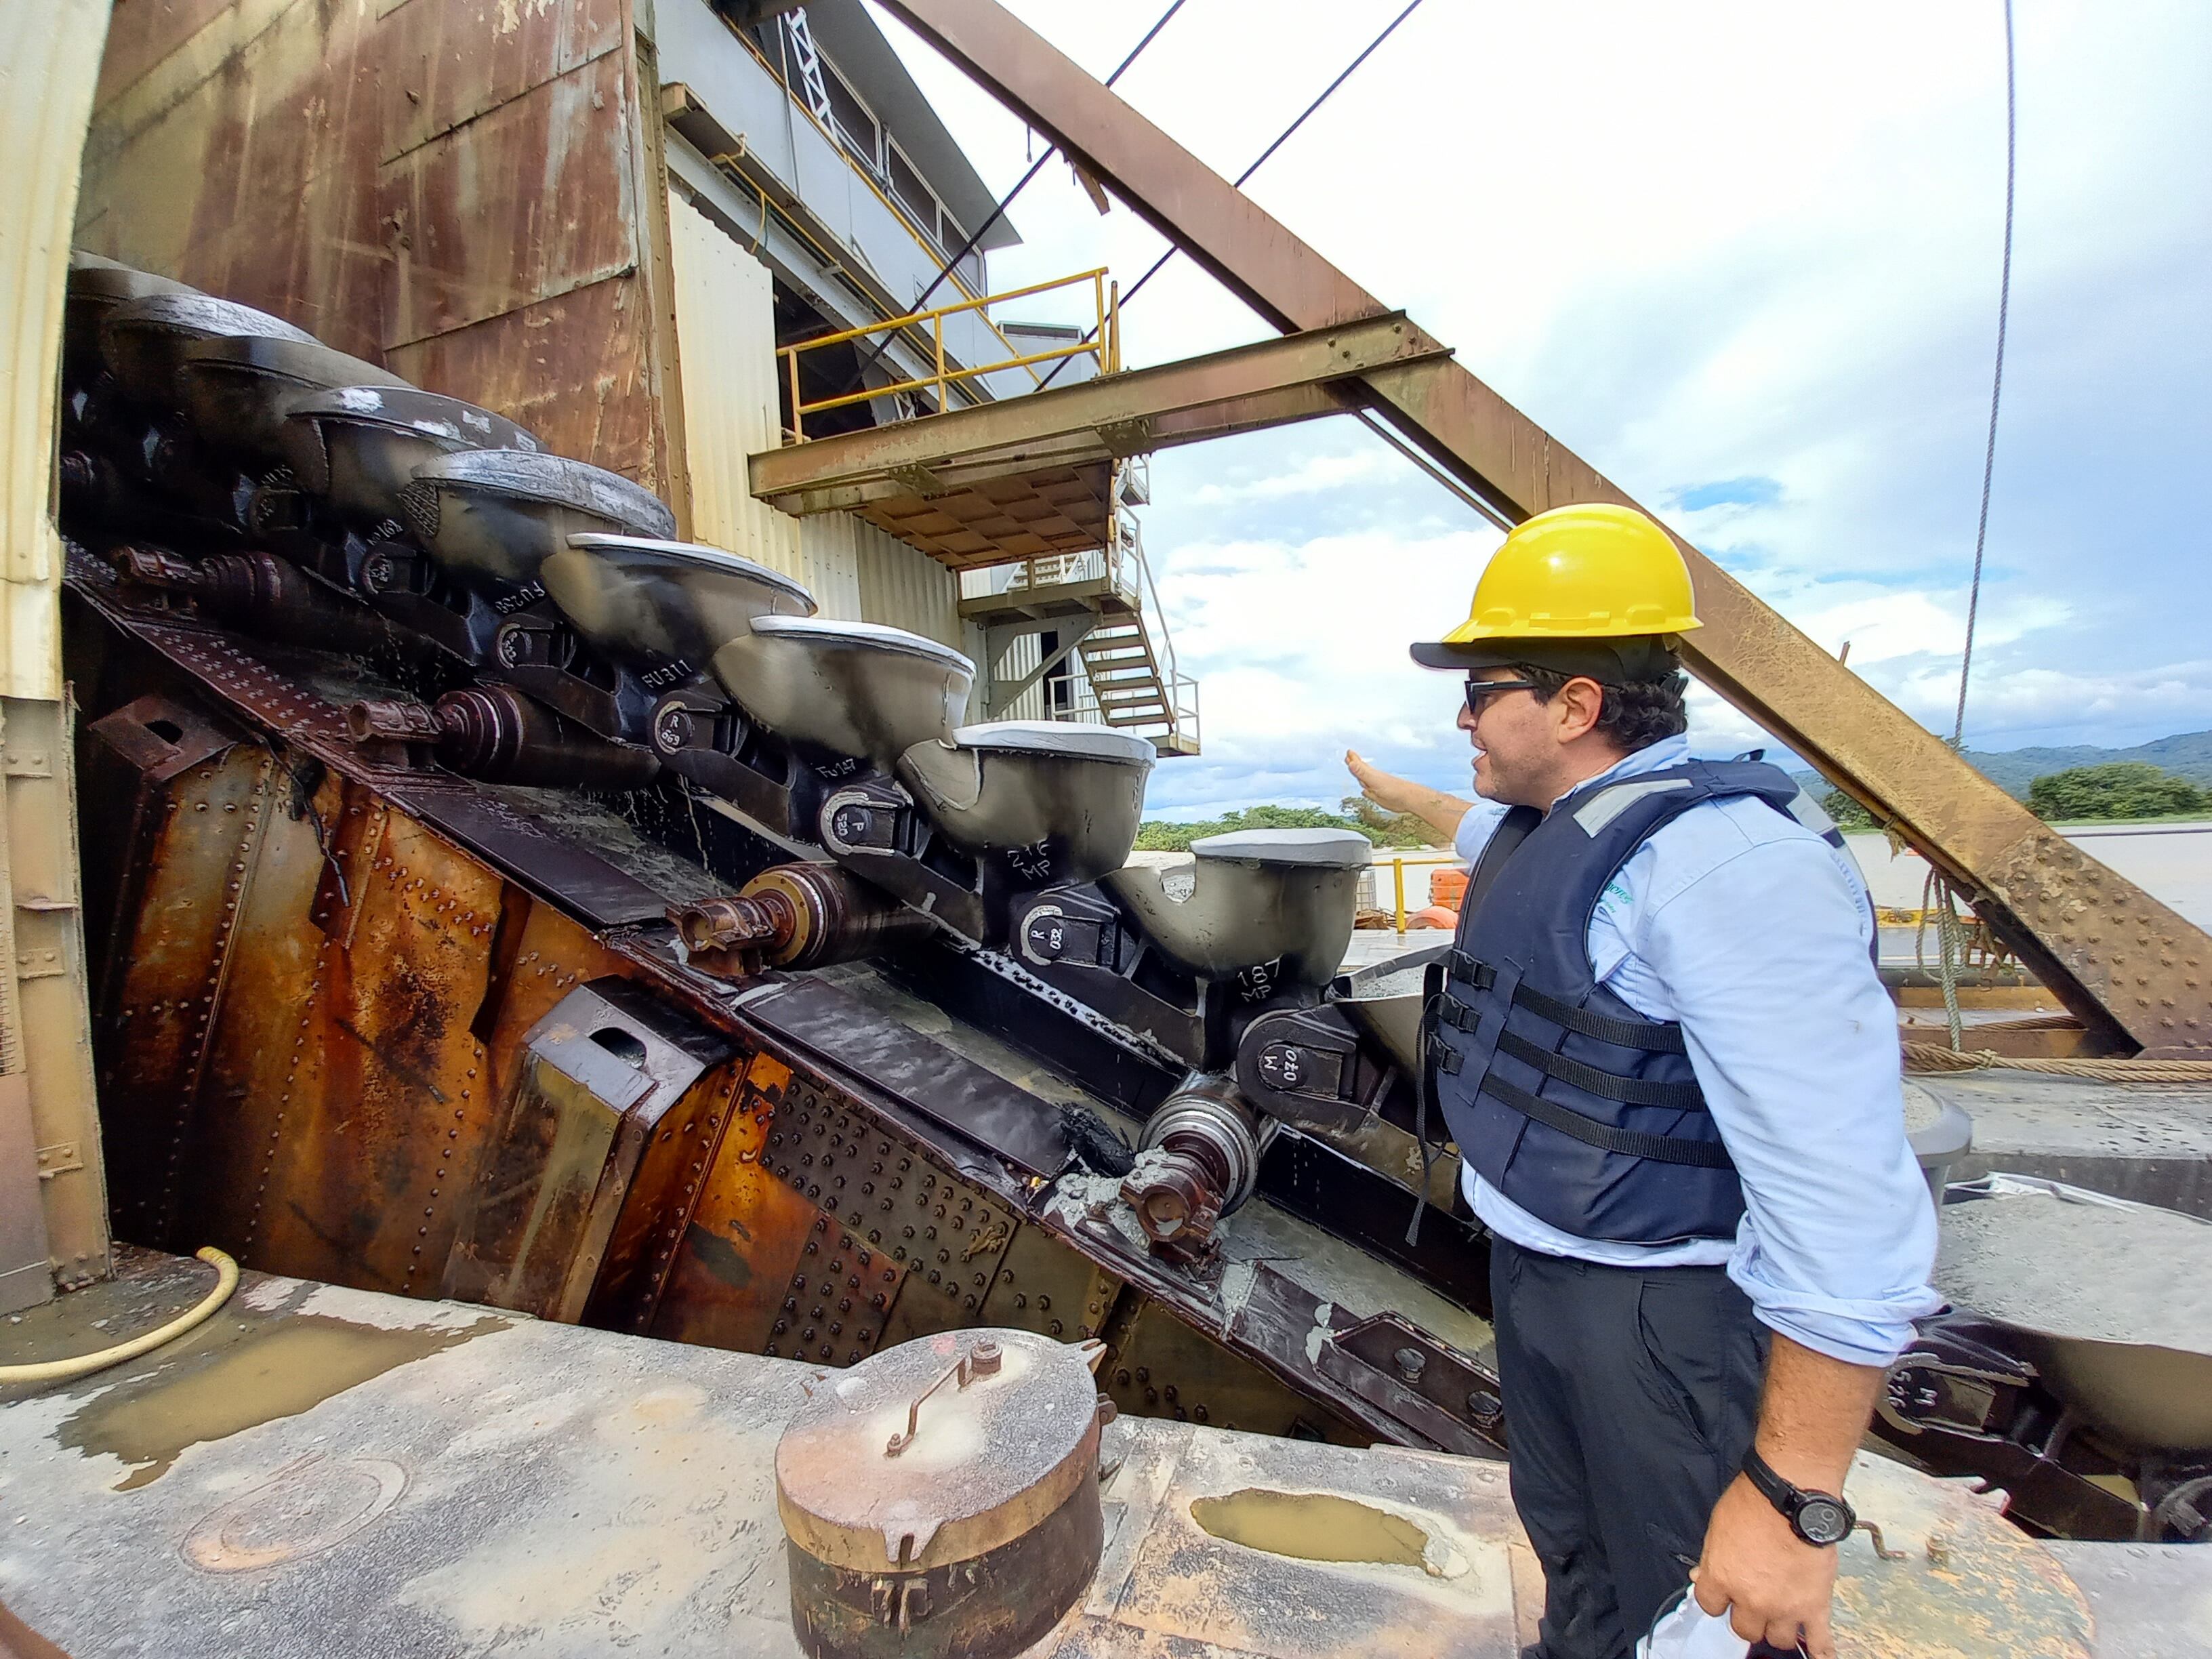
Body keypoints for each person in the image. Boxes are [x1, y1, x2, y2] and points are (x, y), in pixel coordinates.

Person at [1369, 502, 1938, 1659]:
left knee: (1696, 1610)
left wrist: (1795, 1499)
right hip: (1547, 1282)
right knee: (1576, 1561)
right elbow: (1479, 828)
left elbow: (1847, 1207)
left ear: (1576, 705)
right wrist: (1386, 789)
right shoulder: (1557, 825)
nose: (1463, 717)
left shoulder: (1731, 867)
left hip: (1662, 1318)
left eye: (1483, 691)